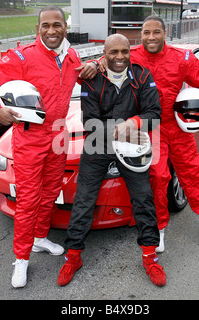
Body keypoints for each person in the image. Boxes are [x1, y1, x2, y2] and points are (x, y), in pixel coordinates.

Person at [0, 5, 98, 288]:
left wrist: (96, 64)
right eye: (46, 25)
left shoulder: (71, 57)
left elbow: (81, 75)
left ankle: (40, 238)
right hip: (29, 138)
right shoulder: (23, 57)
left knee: (51, 191)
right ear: (38, 29)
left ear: (65, 28)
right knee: (28, 200)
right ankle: (21, 259)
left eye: (57, 25)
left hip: (58, 134)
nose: (52, 30)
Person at [100, 16, 199, 253]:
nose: (151, 37)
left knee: (192, 174)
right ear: (141, 34)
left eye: (156, 32)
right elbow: (105, 62)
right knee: (158, 179)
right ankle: (158, 228)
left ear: (164, 34)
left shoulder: (182, 58)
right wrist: (92, 66)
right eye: (146, 32)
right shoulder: (131, 56)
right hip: (149, 128)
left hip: (177, 127)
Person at [57, 34, 167, 287]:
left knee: (143, 198)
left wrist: (134, 123)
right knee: (84, 200)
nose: (120, 57)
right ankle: (73, 256)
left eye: (124, 52)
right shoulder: (92, 78)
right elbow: (89, 122)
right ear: (104, 55)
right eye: (113, 52)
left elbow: (154, 114)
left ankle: (150, 258)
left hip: (132, 143)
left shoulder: (142, 76)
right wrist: (119, 127)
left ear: (130, 52)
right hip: (99, 144)